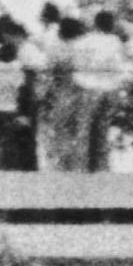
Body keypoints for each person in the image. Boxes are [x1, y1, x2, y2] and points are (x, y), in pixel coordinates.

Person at [73, 11, 132, 172]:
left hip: (87, 87)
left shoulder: (83, 41)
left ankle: (83, 167)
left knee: (85, 128)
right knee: (103, 129)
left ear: (95, 23)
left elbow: (77, 66)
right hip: (108, 88)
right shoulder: (115, 42)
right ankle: (101, 166)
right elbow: (118, 67)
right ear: (111, 24)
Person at [44, 16, 94, 172]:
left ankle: (61, 165)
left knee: (61, 129)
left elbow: (50, 72)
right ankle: (79, 166)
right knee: (81, 130)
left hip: (63, 92)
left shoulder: (56, 48)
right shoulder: (84, 48)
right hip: (84, 92)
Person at [0, 39, 33, 170]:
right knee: (10, 141)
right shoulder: (17, 69)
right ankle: (9, 166)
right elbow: (22, 91)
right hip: (10, 110)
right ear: (14, 55)